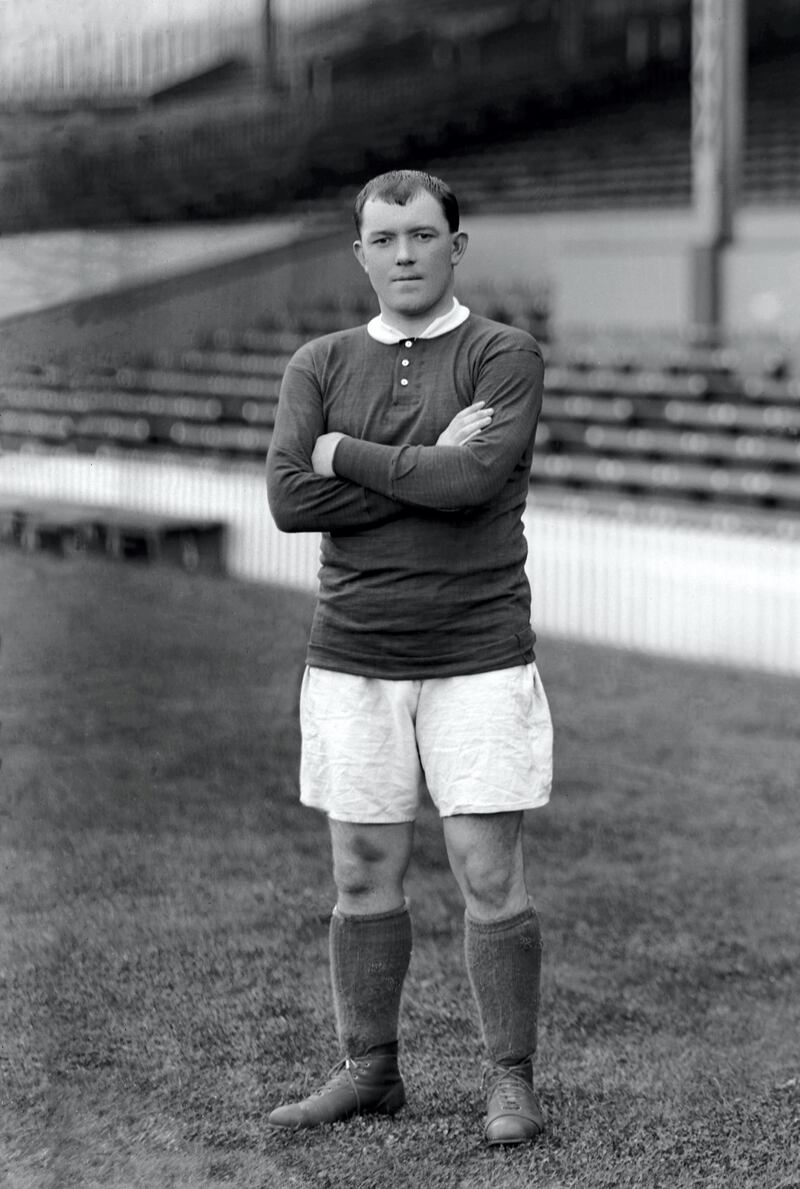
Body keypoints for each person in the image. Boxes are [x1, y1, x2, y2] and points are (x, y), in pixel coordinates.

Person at [265, 169, 553, 1146]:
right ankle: (370, 1070)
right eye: (382, 239)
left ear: (455, 245)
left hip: (474, 646)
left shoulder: (502, 353)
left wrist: (344, 455)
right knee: (359, 870)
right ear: (359, 252)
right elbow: (285, 501)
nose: (402, 255)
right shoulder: (318, 361)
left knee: (484, 868)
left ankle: (507, 1081)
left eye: (421, 236)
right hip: (352, 649)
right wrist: (425, 462)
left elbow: (474, 482)